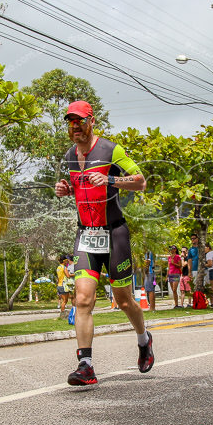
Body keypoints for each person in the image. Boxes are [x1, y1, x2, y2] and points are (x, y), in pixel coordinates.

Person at [53, 100, 153, 386]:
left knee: (124, 301)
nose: (75, 127)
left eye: (80, 121)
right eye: (71, 122)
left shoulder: (111, 150)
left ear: (91, 121)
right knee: (82, 299)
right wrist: (64, 188)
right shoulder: (70, 156)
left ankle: (143, 340)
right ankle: (86, 366)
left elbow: (141, 181)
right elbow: (76, 186)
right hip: (86, 234)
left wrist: (110, 180)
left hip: (114, 233)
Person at [56, 255, 74, 320]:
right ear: (64, 261)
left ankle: (62, 314)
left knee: (64, 300)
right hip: (63, 285)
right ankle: (62, 315)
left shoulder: (58, 267)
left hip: (59, 285)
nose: (67, 262)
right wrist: (76, 274)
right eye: (66, 260)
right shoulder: (64, 268)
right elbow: (68, 276)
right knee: (65, 301)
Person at [204, 242, 213, 307]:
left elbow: (210, 264)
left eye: (204, 248)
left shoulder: (208, 254)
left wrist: (203, 265)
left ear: (208, 247)